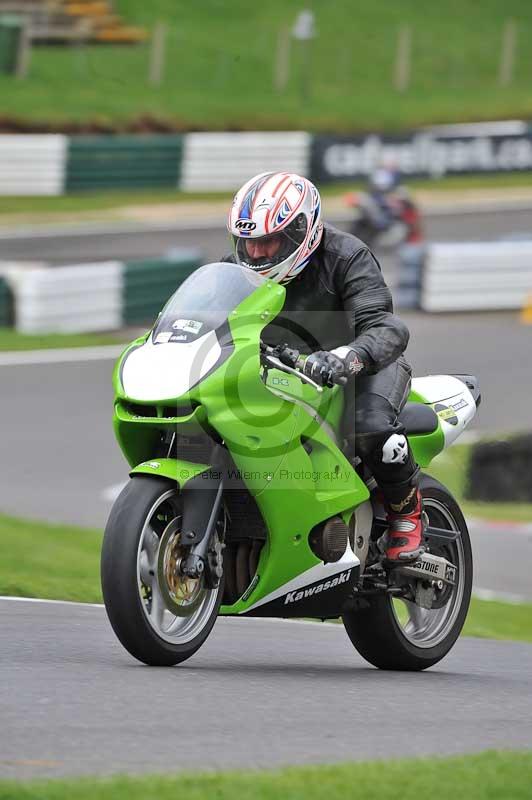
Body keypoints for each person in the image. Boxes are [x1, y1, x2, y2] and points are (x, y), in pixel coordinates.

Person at [224, 171, 423, 563]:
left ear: (302, 231)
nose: (257, 254)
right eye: (248, 243)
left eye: (268, 241)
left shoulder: (347, 257)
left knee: (370, 426)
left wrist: (347, 356)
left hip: (360, 366)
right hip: (284, 370)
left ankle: (406, 515)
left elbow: (386, 326)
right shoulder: (234, 269)